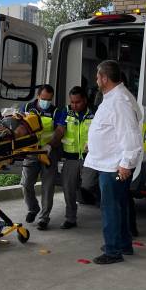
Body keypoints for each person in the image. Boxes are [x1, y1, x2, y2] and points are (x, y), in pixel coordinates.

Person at [84, 60, 143, 265]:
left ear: (105, 78)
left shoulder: (119, 101)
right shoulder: (116, 97)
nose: (96, 79)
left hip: (115, 168)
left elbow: (130, 135)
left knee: (111, 207)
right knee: (119, 204)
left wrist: (126, 164)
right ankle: (122, 244)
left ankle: (113, 251)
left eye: (98, 76)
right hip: (112, 164)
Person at [21, 84, 65, 230]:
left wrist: (50, 145)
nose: (46, 102)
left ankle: (44, 218)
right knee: (26, 183)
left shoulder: (56, 111)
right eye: (44, 98)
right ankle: (33, 208)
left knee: (47, 186)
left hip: (48, 152)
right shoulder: (27, 108)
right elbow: (19, 126)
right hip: (31, 151)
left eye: (49, 99)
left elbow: (60, 130)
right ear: (38, 96)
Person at [52, 86, 94, 229]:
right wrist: (51, 144)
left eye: (78, 102)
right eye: (72, 102)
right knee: (68, 189)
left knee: (91, 186)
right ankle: (70, 218)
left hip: (91, 158)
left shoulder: (94, 113)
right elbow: (60, 129)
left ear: (85, 101)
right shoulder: (66, 111)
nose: (74, 105)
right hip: (71, 158)